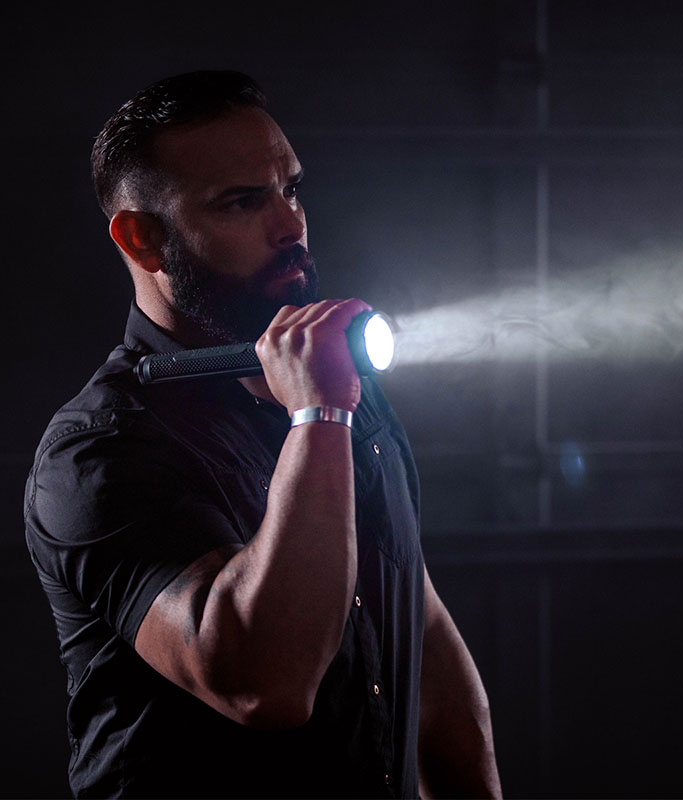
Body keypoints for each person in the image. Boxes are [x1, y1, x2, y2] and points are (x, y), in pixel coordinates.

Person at [24, 70, 502, 799]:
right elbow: (263, 684)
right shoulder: (97, 453)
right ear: (143, 238)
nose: (290, 226)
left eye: (292, 190)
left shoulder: (347, 394)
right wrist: (318, 416)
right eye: (242, 202)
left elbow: (420, 631)